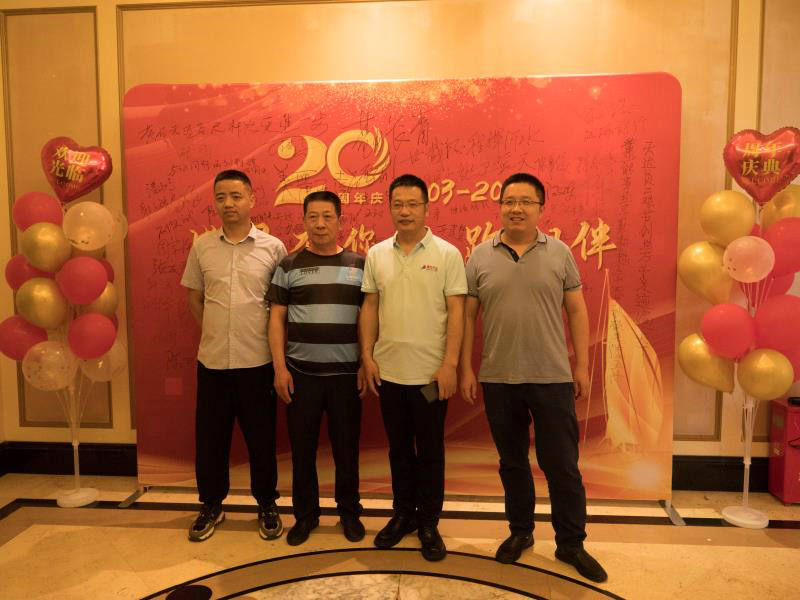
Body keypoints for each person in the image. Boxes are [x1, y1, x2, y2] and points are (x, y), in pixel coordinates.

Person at [459, 173, 607, 582]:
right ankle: (520, 532)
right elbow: (467, 317)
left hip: (552, 377)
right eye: (509, 201)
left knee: (562, 465)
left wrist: (581, 366)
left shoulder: (559, 253)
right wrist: (465, 368)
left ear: (541, 208)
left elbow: (576, 310)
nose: (516, 208)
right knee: (512, 463)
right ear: (500, 207)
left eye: (526, 201)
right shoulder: (480, 256)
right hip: (498, 377)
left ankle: (571, 544)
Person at [360, 173, 466, 562]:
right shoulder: (376, 254)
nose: (404, 211)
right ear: (390, 208)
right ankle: (403, 514)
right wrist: (367, 357)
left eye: (412, 204)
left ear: (426, 208)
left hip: (431, 376)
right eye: (398, 205)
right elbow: (370, 307)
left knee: (431, 451)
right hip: (389, 373)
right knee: (399, 450)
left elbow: (457, 312)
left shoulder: (448, 254)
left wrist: (450, 364)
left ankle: (429, 523)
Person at [181, 169, 286, 542]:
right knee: (210, 441)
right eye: (221, 197)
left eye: (236, 196)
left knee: (262, 441)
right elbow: (195, 299)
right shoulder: (202, 247)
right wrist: (215, 330)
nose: (228, 203)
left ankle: (267, 505)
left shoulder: (273, 248)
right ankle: (211, 505)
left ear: (252, 199)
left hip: (257, 363)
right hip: (212, 363)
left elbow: (280, 308)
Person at [267, 190, 366, 546]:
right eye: (313, 217)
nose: (320, 224)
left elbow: (369, 319)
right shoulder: (288, 265)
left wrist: (366, 362)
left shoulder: (360, 264)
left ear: (341, 221)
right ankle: (305, 516)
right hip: (301, 376)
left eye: (327, 216)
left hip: (346, 377)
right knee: (303, 451)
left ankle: (349, 513)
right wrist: (280, 369)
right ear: (304, 221)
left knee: (346, 451)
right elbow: (276, 320)